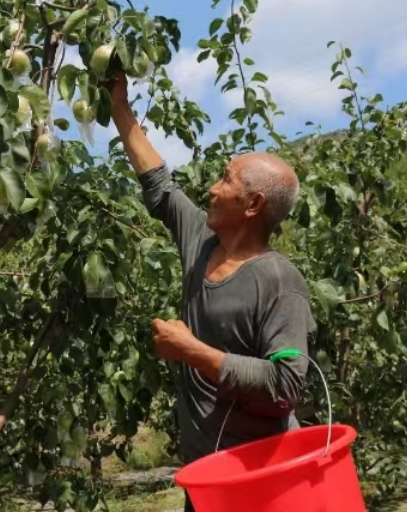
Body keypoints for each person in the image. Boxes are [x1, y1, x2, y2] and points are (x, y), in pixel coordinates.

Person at [107, 72, 317, 512]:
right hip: (208, 478)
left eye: (226, 180)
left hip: (262, 482)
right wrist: (119, 108)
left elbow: (285, 386)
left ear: (253, 204)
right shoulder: (202, 242)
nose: (211, 188)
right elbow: (160, 186)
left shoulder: (280, 282)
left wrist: (191, 351)